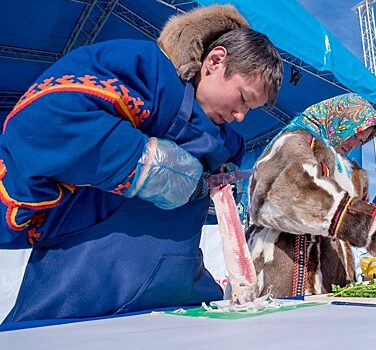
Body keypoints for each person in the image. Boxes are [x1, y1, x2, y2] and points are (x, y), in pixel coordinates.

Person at [0, 5, 283, 323]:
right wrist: (154, 168)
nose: (241, 116)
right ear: (215, 61)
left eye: (251, 109)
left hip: (176, 300)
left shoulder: (231, 144)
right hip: (78, 292)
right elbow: (50, 117)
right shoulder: (145, 70)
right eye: (244, 99)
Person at [246, 93, 376, 297]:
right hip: (284, 267)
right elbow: (292, 191)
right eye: (354, 134)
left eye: (361, 141)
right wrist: (374, 229)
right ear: (342, 121)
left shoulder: (349, 169)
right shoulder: (294, 141)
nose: (354, 144)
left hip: (331, 277)